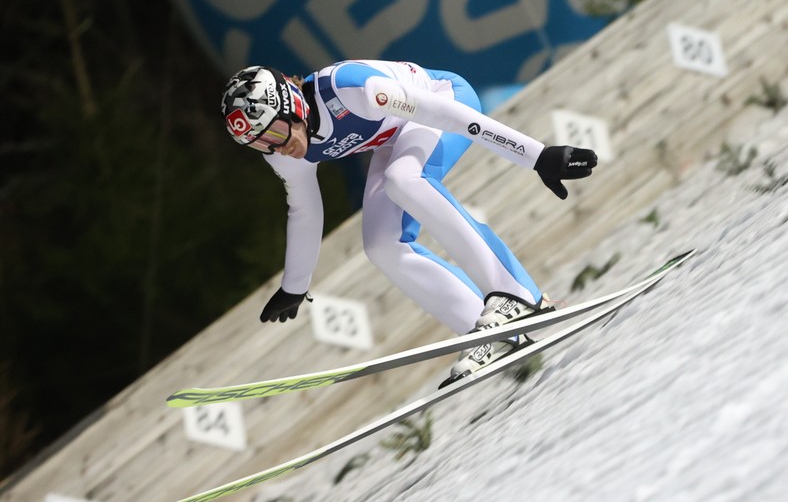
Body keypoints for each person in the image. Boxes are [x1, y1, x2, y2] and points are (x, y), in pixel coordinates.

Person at [220, 60, 597, 386]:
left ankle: (517, 295)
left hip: (446, 100)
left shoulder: (350, 89)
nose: (274, 147)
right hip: (395, 138)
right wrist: (295, 286)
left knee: (404, 179)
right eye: (257, 144)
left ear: (292, 105)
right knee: (381, 244)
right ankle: (493, 334)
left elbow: (446, 115)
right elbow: (304, 210)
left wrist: (536, 155)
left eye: (272, 133)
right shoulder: (282, 150)